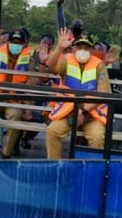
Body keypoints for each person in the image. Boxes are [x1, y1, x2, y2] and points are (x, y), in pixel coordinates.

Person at [45, 29, 110, 159]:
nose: (83, 50)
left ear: (92, 50)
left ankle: (94, 174)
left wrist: (83, 112)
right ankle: (54, 167)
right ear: (73, 48)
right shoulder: (67, 61)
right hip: (67, 112)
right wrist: (59, 48)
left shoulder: (99, 65)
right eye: (79, 46)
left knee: (97, 137)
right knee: (52, 132)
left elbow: (102, 93)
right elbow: (52, 67)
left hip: (92, 114)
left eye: (87, 48)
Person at [0, 30, 35, 158]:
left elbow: (30, 86)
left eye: (19, 43)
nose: (15, 45)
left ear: (24, 44)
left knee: (16, 117)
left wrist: (27, 108)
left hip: (15, 100)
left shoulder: (29, 60)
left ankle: (6, 153)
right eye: (13, 42)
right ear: (7, 42)